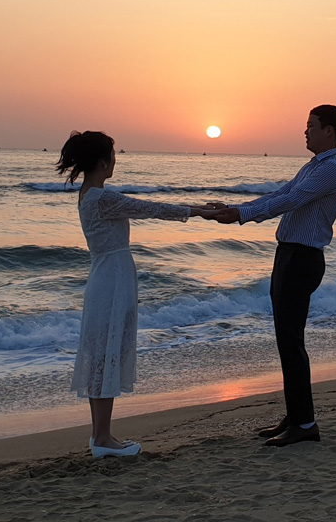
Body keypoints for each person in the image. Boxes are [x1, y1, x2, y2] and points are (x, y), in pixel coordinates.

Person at [56, 131, 219, 458]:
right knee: (106, 353)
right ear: (104, 162)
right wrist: (198, 210)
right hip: (112, 279)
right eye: (113, 155)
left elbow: (142, 207)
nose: (116, 160)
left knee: (104, 353)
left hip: (107, 274)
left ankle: (100, 434)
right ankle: (102, 438)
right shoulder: (102, 198)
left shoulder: (90, 194)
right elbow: (148, 208)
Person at [209, 104, 336, 446]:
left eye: (311, 126)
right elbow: (281, 194)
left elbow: (291, 201)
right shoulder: (314, 165)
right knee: (287, 341)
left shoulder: (332, 169)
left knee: (291, 342)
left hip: (302, 258)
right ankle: (297, 415)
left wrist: (242, 215)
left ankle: (304, 424)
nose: (306, 131)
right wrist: (236, 209)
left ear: (329, 131)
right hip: (289, 255)